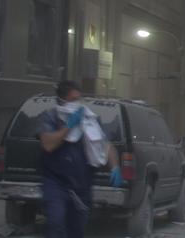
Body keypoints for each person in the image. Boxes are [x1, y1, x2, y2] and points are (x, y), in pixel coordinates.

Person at [37, 80, 122, 237]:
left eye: (79, 99)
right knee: (56, 223)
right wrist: (68, 127)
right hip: (57, 184)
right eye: (73, 99)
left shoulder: (89, 119)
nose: (78, 103)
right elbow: (48, 144)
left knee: (76, 230)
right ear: (62, 100)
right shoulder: (51, 118)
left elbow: (106, 145)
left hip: (81, 187)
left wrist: (115, 166)